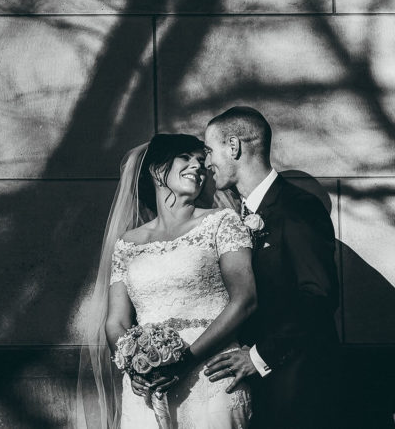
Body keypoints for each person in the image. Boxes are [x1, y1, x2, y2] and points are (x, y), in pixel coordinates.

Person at [76, 133, 257, 429]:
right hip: (149, 386)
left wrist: (185, 362)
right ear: (156, 170)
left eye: (201, 160)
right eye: (185, 158)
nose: (198, 166)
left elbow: (245, 300)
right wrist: (134, 367)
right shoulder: (127, 244)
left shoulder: (222, 223)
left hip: (210, 374)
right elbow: (115, 321)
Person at [201, 107, 341, 429]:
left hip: (297, 387)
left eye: (210, 151)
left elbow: (318, 295)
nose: (206, 163)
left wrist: (257, 356)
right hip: (251, 392)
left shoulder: (298, 208)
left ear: (233, 147)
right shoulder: (232, 216)